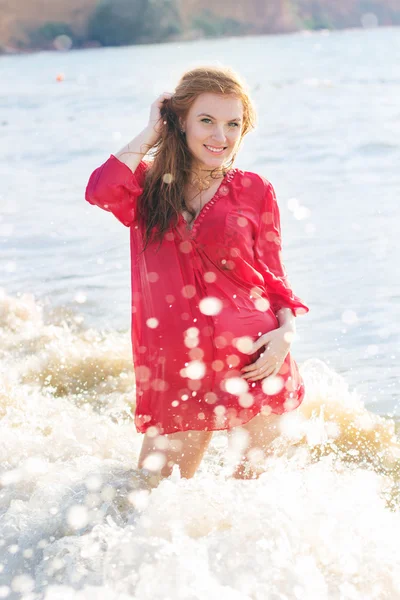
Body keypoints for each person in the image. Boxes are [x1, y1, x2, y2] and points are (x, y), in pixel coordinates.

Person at [85, 65, 309, 481]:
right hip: (178, 372)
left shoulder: (255, 189)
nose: (220, 137)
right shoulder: (146, 187)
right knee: (149, 503)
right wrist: (151, 132)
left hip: (256, 359)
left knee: (256, 507)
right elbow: (100, 191)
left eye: (233, 124)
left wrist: (286, 335)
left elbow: (275, 278)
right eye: (206, 121)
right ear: (180, 121)